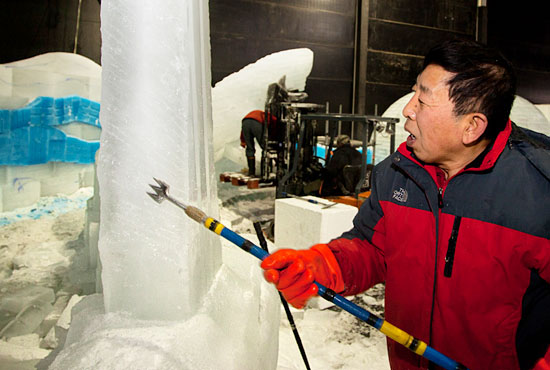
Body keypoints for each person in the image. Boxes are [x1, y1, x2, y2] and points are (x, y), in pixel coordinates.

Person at [261, 38, 550, 370]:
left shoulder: (540, 191)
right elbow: (372, 247)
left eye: (422, 100)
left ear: (471, 126)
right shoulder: (400, 173)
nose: (407, 109)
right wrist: (319, 266)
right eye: (413, 93)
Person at [240, 110, 277, 176]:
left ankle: (251, 172)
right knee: (265, 148)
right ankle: (264, 173)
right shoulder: (272, 118)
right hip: (257, 123)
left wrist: (243, 141)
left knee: (250, 148)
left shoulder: (259, 113)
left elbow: (243, 131)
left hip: (245, 122)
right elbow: (274, 127)